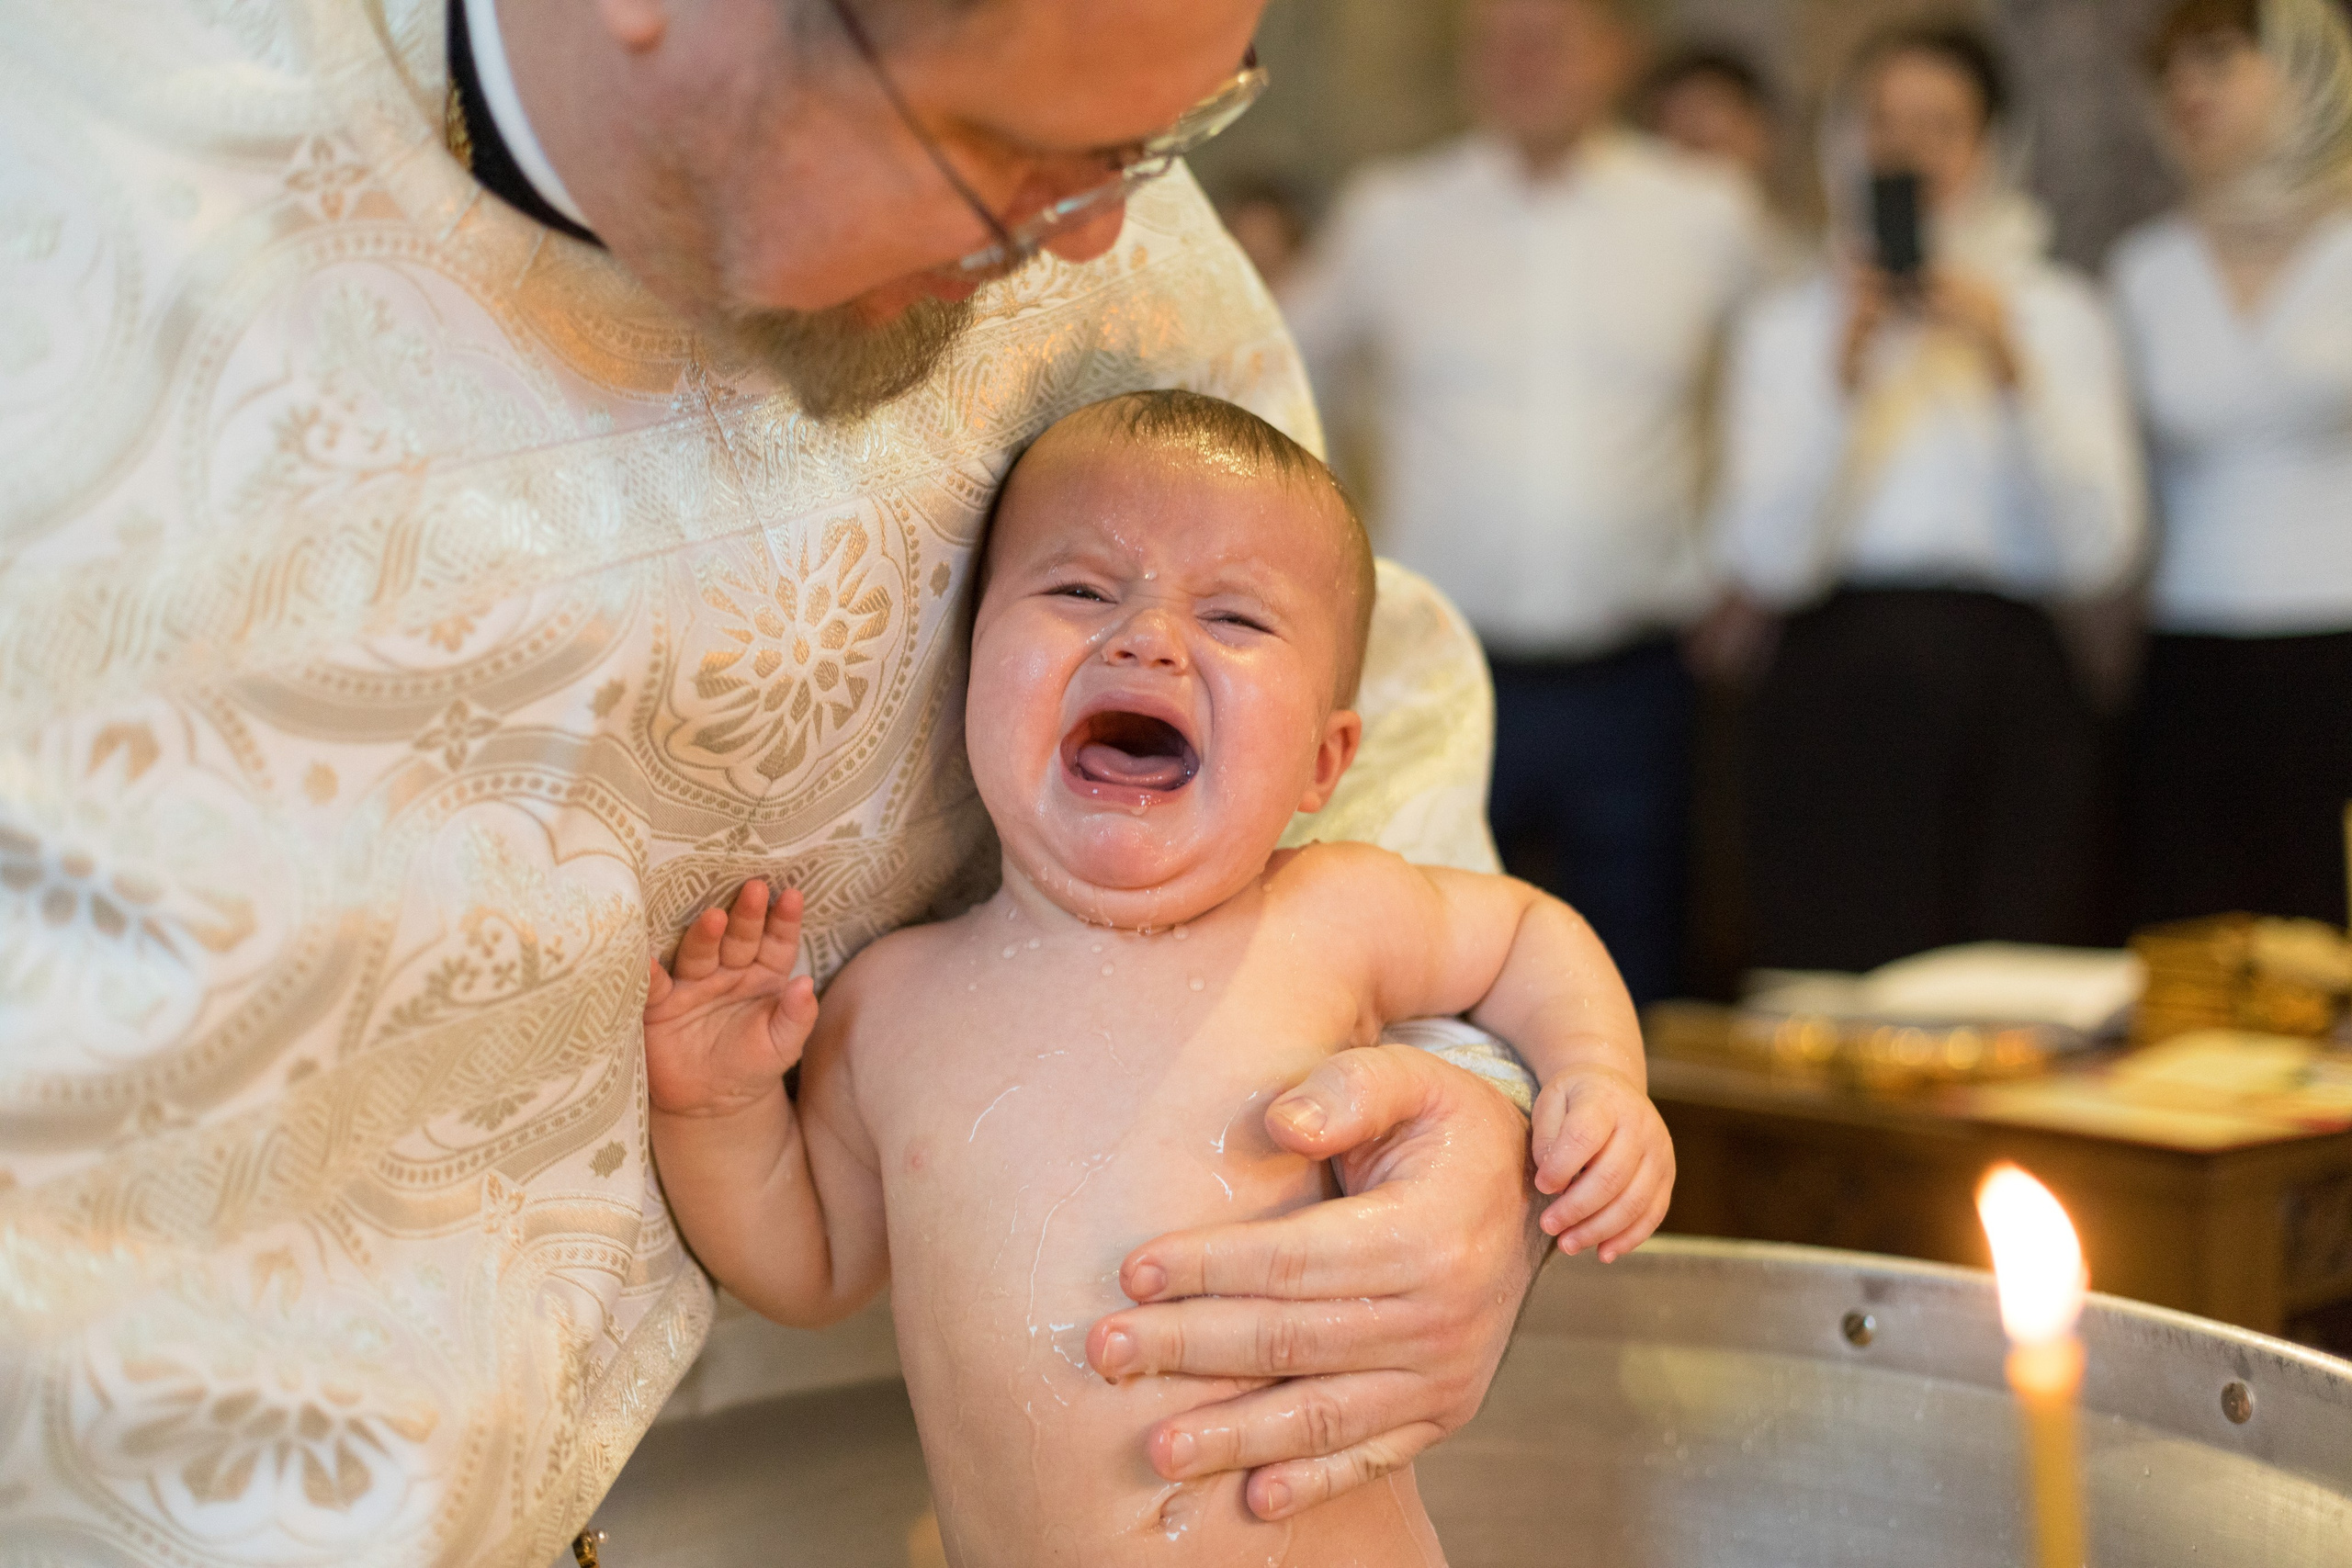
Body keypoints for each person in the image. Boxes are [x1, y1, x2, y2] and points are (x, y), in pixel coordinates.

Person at [0, 2, 1556, 1559]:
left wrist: (1471, 1115)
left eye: (1157, 144)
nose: (1093, 240)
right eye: (1000, 148)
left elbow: (1352, 716)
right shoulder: (70, 159)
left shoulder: (1083, 189)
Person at [642, 390, 1671, 1564]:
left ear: (1321, 762)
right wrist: (716, 1105)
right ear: (966, 672)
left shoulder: (1331, 911)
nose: (1146, 638)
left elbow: (1527, 934)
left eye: (1233, 617)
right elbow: (809, 1261)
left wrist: (1596, 1075)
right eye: (1080, 592)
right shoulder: (892, 1006)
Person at [1283, 0, 1764, 1005]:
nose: (1521, 63)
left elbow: (1787, 373)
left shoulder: (1704, 214)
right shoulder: (1394, 213)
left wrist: (1748, 561)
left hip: (1638, 670)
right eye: (1497, 40)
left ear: (1616, 53)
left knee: (1638, 967)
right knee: (1423, 956)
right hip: (1439, 662)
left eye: (1550, 38)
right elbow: (1272, 365)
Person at [1711, 25, 2144, 974]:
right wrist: (1844, 377)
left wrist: (2008, 364)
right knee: (1837, 979)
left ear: (1990, 148)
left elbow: (2100, 550)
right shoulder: (1787, 324)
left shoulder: (2057, 312)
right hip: (1837, 681)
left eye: (1940, 125)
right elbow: (1764, 560)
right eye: (1881, 122)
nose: (1906, 150)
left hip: (2013, 688)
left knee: (2015, 983)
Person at [2117, 0, 2352, 927]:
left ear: (2302, 71)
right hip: (2188, 657)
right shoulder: (2146, 267)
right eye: (2171, 71)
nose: (2188, 89)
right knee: (2200, 950)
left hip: (2339, 649)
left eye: (2216, 60)